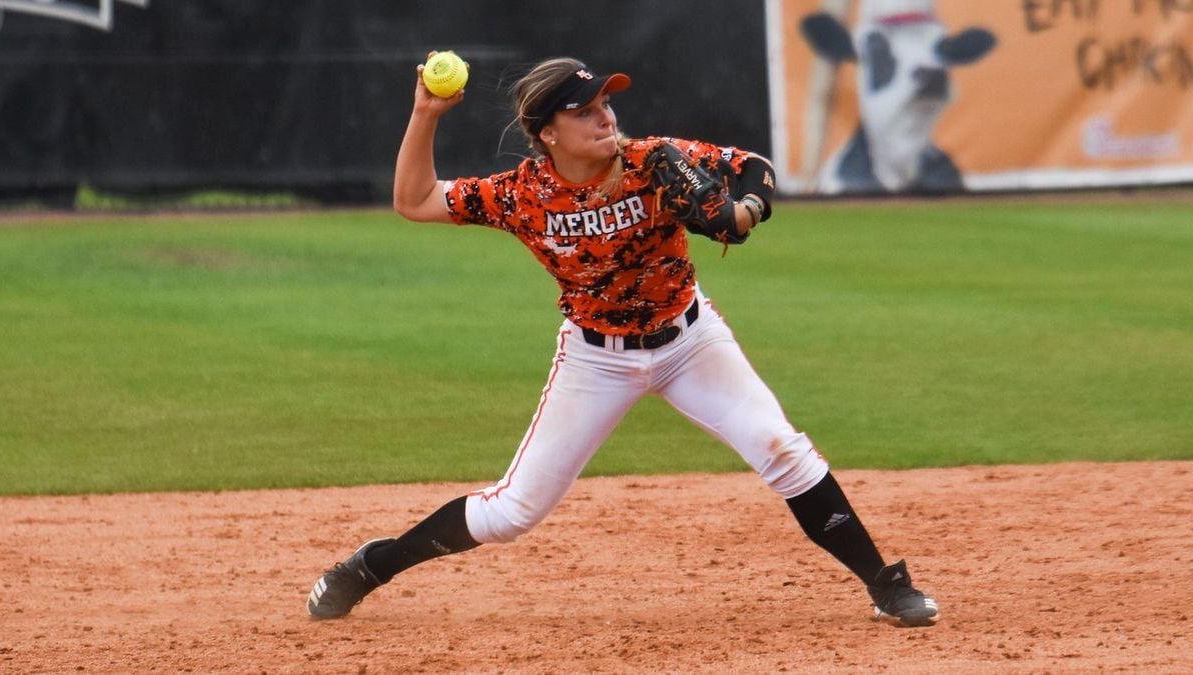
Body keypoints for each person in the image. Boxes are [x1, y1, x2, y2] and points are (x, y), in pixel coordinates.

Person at [306, 55, 939, 628]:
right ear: (547, 132)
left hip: (692, 342)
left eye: (606, 103)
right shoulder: (524, 195)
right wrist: (424, 114)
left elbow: (753, 166)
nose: (604, 116)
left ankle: (885, 586)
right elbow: (414, 199)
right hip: (594, 359)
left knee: (783, 450)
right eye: (583, 110)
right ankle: (372, 566)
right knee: (510, 514)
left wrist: (747, 207)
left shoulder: (653, 160)